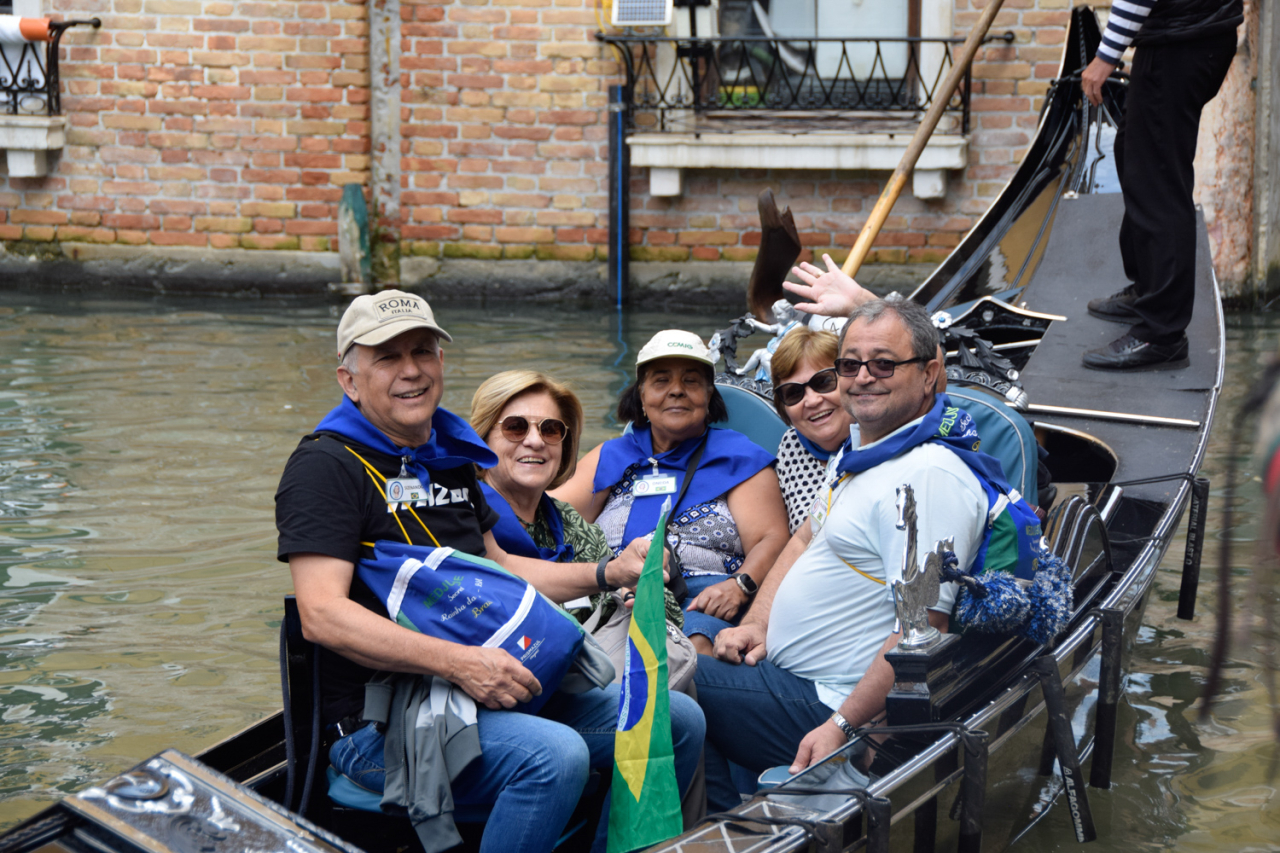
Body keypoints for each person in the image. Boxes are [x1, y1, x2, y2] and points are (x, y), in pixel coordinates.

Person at [275, 291, 705, 853]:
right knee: (554, 757)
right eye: (387, 357)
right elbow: (322, 615)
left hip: (481, 694)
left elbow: (501, 566)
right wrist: (461, 663)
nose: (411, 370)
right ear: (349, 381)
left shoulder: (449, 457)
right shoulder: (325, 467)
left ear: (440, 362)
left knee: (678, 722)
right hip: (380, 725)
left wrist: (608, 571)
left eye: (422, 351)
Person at [694, 296, 991, 812]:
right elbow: (804, 539)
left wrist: (841, 726)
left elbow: (922, 630)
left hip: (830, 705)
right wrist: (758, 623)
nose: (863, 377)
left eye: (884, 364)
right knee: (676, 654)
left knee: (664, 676)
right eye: (850, 365)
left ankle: (718, 822)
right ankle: (726, 814)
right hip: (790, 677)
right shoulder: (861, 452)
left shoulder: (926, 478)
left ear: (929, 374)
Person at [553, 330, 789, 656]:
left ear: (708, 395)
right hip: (613, 594)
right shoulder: (613, 455)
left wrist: (740, 585)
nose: (676, 390)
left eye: (691, 381)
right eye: (661, 381)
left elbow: (772, 538)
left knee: (690, 650)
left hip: (700, 599)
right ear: (641, 395)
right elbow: (551, 521)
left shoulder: (738, 457)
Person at [1079, 0, 1242, 371]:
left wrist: (1105, 56)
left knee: (1159, 180)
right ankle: (1147, 288)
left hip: (1181, 40)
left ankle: (1161, 333)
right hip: (1190, 34)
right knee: (1133, 153)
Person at [471, 369, 687, 629]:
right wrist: (609, 577)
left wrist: (633, 592)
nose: (535, 441)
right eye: (515, 427)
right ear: (481, 440)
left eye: (550, 429)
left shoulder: (569, 523)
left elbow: (672, 615)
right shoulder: (460, 514)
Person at [768, 327, 852, 533]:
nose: (812, 401)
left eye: (823, 382)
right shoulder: (791, 444)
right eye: (793, 392)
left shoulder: (880, 434)